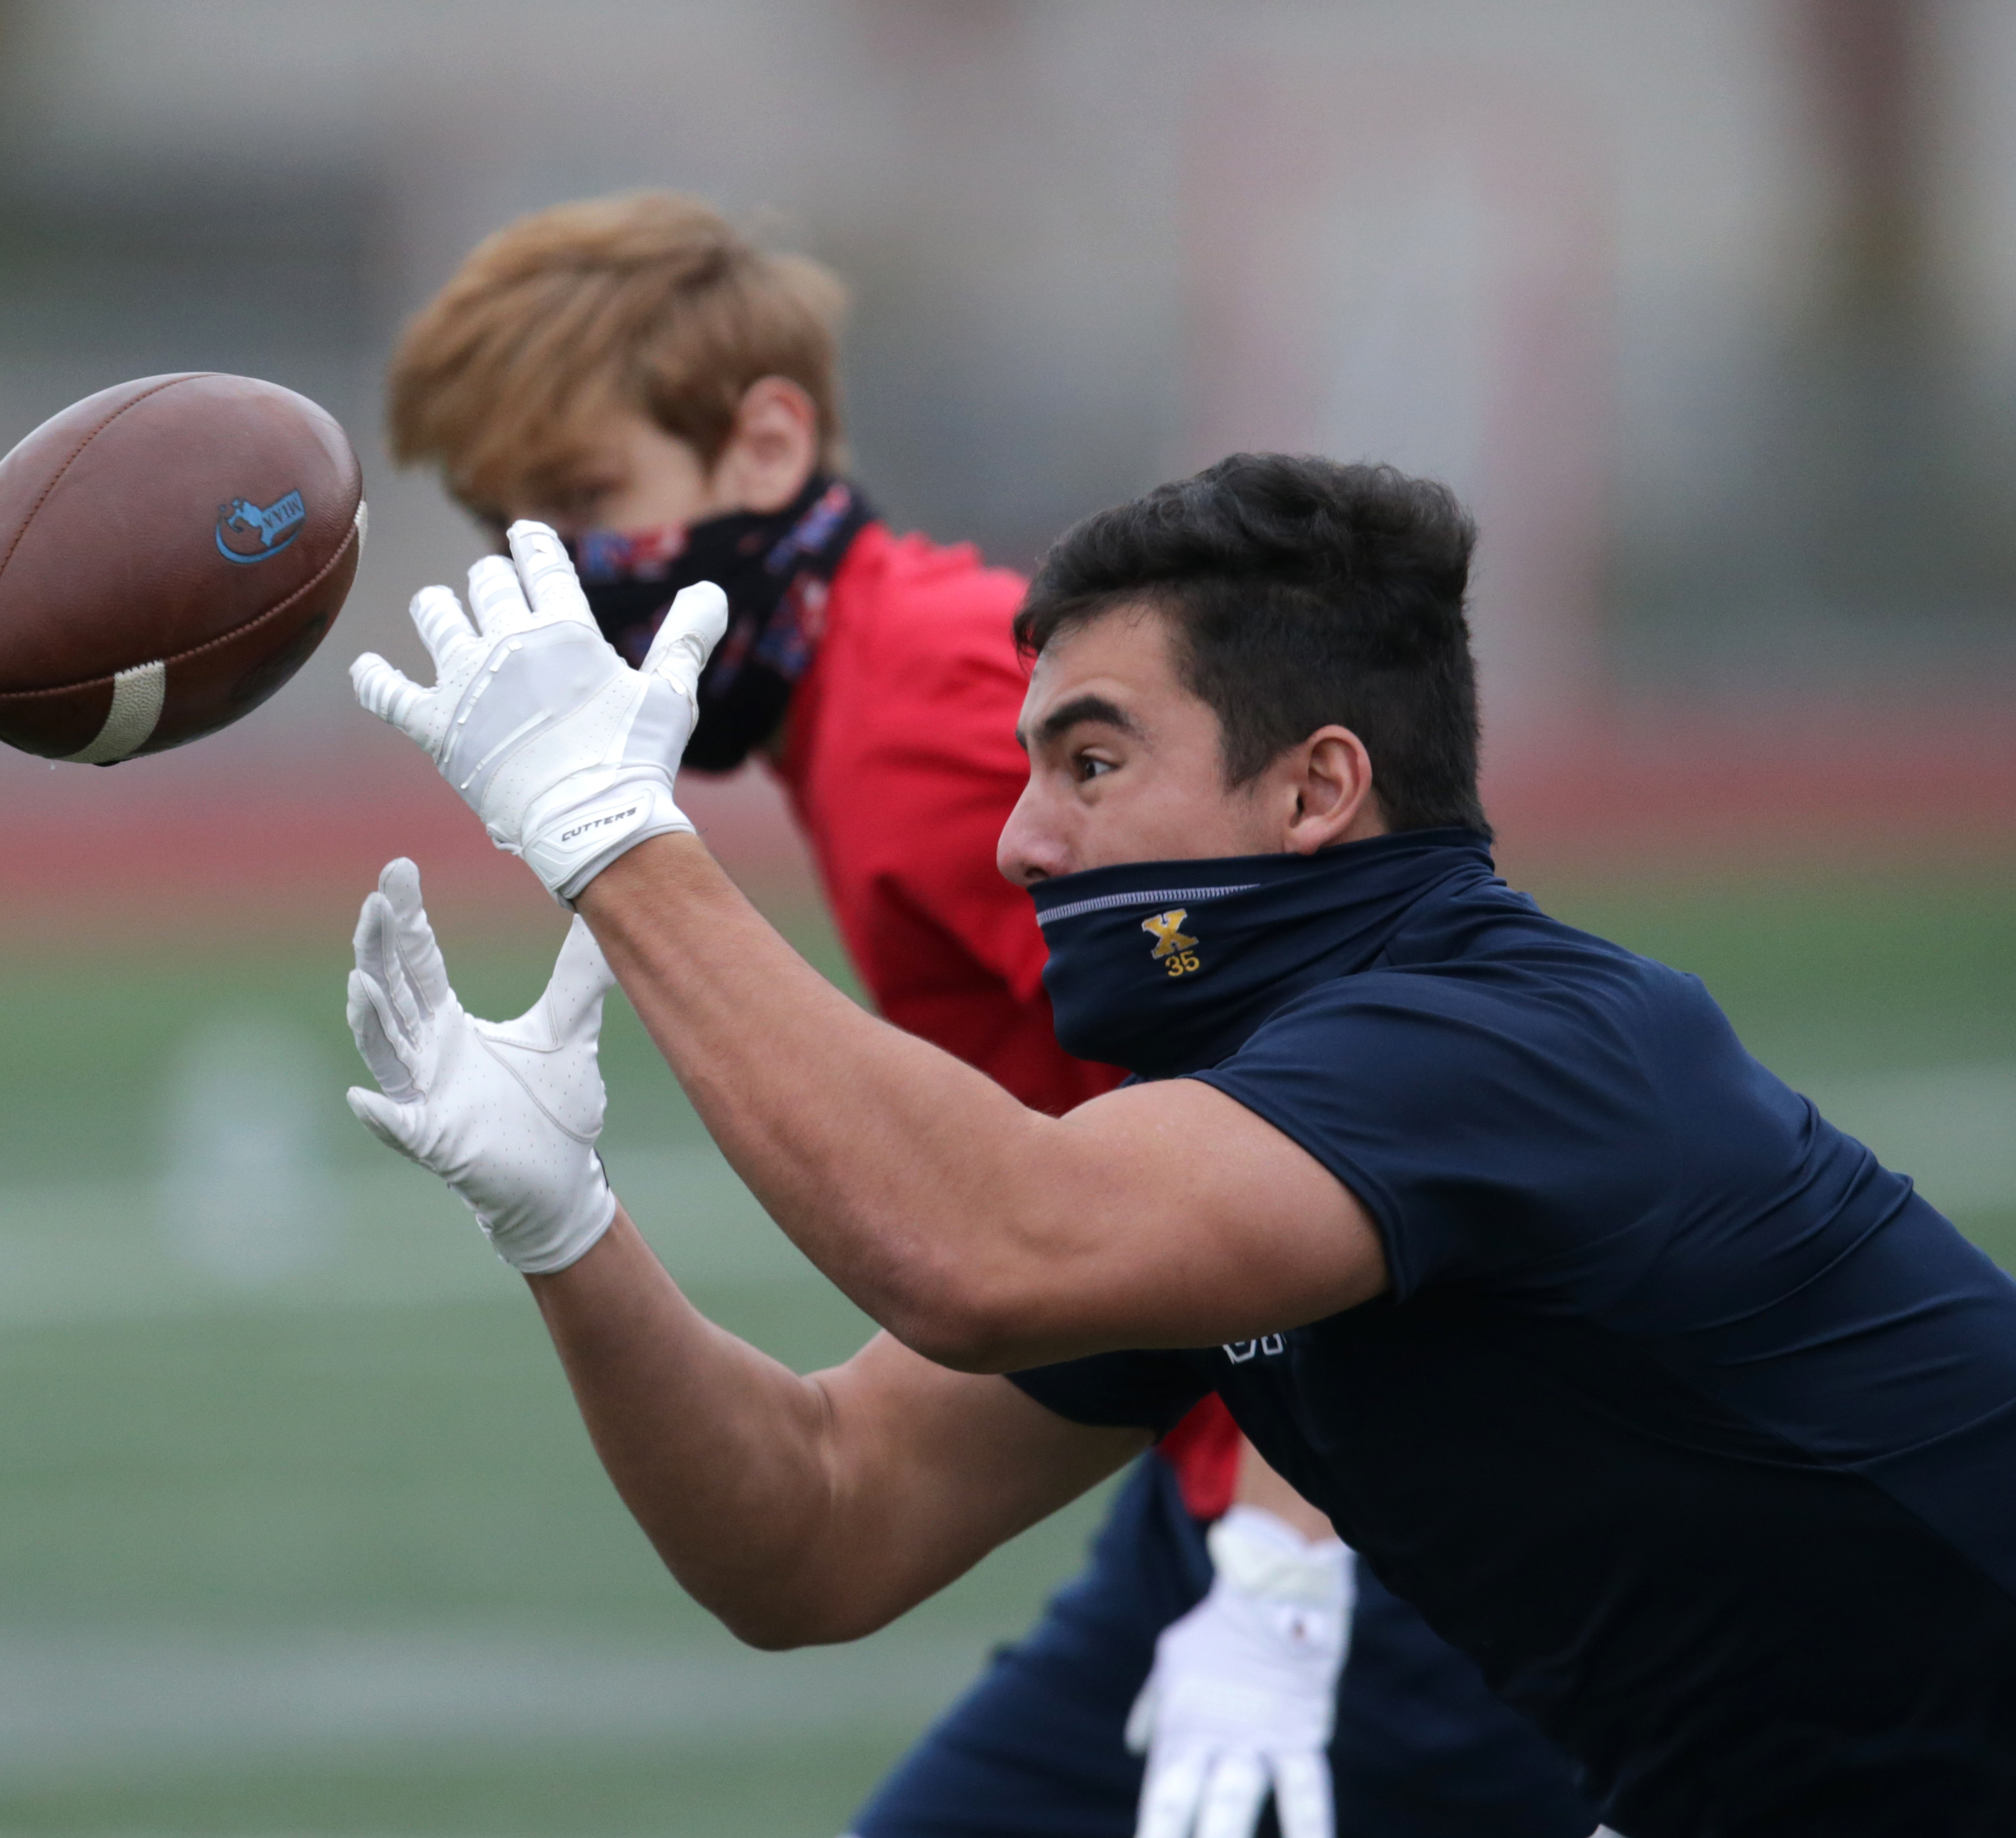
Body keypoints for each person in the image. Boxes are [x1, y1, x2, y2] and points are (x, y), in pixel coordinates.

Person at [342, 455, 2016, 1837]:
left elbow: (979, 1252)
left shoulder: (1493, 1038)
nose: (1019, 840)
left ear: (1315, 790)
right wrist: (565, 1226)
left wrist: (612, 839)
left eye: (1090, 760)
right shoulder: (1264, 1108)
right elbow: (820, 1522)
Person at [381, 193, 1590, 1837]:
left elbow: (1350, 1101)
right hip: (1213, 1446)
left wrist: (1288, 1559)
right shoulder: (868, 699)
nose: (563, 574)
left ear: (764, 441)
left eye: (588, 501)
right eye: (510, 525)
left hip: (1374, 1504)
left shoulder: (928, 718)